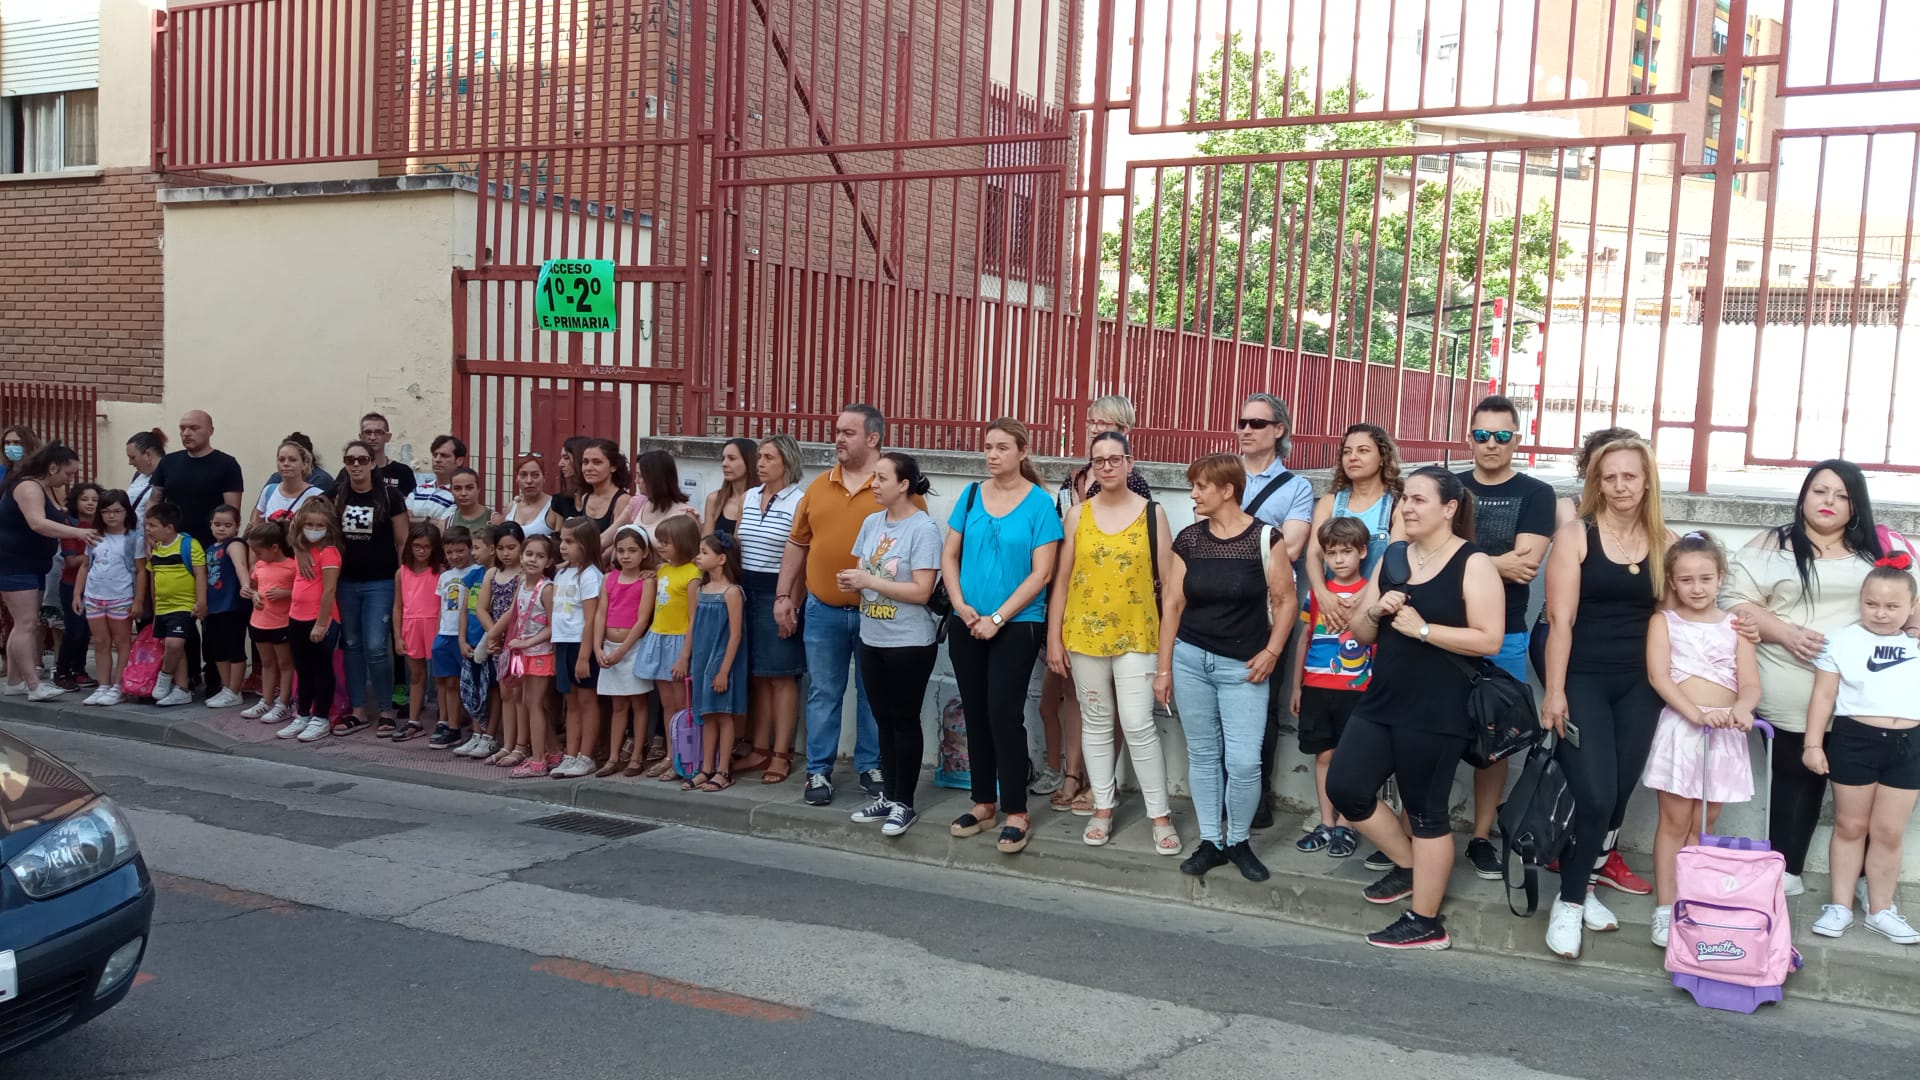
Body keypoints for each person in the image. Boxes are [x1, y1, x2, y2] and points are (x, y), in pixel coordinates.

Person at [1722, 459, 1920, 897]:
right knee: (1797, 776)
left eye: (1842, 495)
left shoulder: (1880, 546)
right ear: (1804, 495)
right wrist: (1784, 632)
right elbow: (1733, 599)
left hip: (1865, 696)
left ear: (1856, 505)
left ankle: (1872, 881)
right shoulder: (1772, 544)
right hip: (1791, 682)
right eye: (1820, 491)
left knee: (1870, 789)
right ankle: (1786, 868)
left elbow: (1912, 600)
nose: (1829, 502)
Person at [1326, 467, 1504, 950]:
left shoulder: (1474, 563)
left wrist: (1422, 629)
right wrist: (1375, 611)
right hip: (1383, 698)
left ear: (1449, 508)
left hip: (1438, 708)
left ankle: (1427, 922)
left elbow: (1489, 638)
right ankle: (1409, 866)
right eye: (1405, 498)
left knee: (1427, 812)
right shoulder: (1393, 556)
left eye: (1420, 500)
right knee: (1346, 786)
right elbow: (1361, 635)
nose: (1407, 507)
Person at [1539, 437, 1672, 960]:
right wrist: (1554, 692)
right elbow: (1560, 623)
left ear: (1646, 481)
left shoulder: (1665, 540)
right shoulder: (1575, 536)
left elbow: (1675, 619)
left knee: (1617, 796)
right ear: (1597, 482)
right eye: (1609, 477)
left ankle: (1588, 886)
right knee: (1593, 794)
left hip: (1640, 683)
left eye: (1629, 477)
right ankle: (1568, 905)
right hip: (1583, 678)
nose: (1620, 486)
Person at [1154, 452, 1294, 880]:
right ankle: (1212, 841)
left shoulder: (1266, 539)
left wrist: (1272, 651)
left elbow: (1285, 601)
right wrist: (1164, 670)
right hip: (1191, 658)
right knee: (1203, 755)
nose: (1193, 493)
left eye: (1201, 486)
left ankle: (1239, 841)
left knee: (1245, 762)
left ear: (1227, 490)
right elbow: (1173, 604)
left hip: (1244, 667)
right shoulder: (1189, 539)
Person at [1047, 431, 1179, 854]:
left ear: (1130, 462)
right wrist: (1054, 638)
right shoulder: (1076, 517)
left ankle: (1159, 814)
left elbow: (1171, 586)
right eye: (1098, 460)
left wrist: (1166, 657)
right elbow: (1062, 581)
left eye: (1114, 458)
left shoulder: (1153, 514)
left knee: (1139, 725)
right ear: (1090, 466)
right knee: (1097, 722)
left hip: (1138, 635)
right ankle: (1103, 807)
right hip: (1084, 636)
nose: (1106, 466)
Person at [781, 405, 919, 806]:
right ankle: (818, 772)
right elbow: (798, 544)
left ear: (873, 438)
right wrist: (784, 596)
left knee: (874, 694)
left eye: (848, 432)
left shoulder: (896, 488)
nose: (838, 439)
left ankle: (870, 766)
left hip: (879, 613)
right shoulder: (819, 487)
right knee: (823, 691)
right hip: (823, 609)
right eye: (836, 431)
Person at [943, 418, 1062, 855]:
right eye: (988, 447)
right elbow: (949, 554)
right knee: (975, 711)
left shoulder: (1039, 505)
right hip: (967, 621)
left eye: (1002, 447)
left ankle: (1016, 809)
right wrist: (959, 604)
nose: (992, 455)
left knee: (1002, 713)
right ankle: (983, 802)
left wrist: (997, 617)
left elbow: (1043, 573)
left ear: (1023, 451)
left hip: (1017, 623)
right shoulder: (971, 494)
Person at [1454, 395, 1559, 878]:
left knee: (1493, 741)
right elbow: (1419, 551)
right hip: (1439, 630)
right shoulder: (1447, 485)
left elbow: (1525, 567)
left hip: (1505, 634)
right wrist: (1491, 562)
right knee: (1431, 735)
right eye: (1481, 435)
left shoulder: (1536, 494)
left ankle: (1480, 836)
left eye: (1501, 436)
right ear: (1469, 436)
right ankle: (1420, 831)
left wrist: (1456, 556)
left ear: (1517, 438)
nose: (1490, 445)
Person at [1643, 531, 1759, 949]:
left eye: (1705, 579)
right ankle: (1665, 907)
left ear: (1720, 577)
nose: (1697, 588)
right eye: (1686, 580)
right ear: (1673, 582)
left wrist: (1744, 708)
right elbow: (1659, 675)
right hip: (1683, 730)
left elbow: (1750, 684)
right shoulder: (1664, 622)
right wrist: (1692, 713)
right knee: (1674, 822)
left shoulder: (1737, 626)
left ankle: (1692, 901)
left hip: (1725, 735)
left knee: (1705, 822)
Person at [1039, 395, 1154, 806]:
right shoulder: (1074, 477)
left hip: (1117, 612)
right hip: (1075, 607)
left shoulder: (1132, 483)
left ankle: (1100, 783)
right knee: (1075, 695)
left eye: (1103, 421)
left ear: (1124, 433)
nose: (1092, 426)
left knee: (1114, 703)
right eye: (1090, 420)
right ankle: (1074, 772)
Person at [1805, 566, 1920, 945]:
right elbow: (1823, 696)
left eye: (1892, 605)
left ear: (1912, 606)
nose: (1881, 613)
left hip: (1909, 745)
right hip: (1855, 739)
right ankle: (1840, 905)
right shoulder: (1841, 641)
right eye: (1871, 603)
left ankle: (1880, 909)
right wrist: (1812, 744)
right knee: (1850, 827)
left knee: (1888, 832)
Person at [843, 451, 943, 838]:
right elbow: (865, 570)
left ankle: (905, 802)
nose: (874, 484)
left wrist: (869, 583)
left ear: (904, 485)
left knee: (904, 719)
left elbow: (921, 591)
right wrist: (854, 580)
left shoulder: (923, 529)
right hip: (873, 636)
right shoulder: (871, 522)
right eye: (874, 477)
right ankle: (887, 794)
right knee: (882, 718)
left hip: (909, 642)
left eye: (882, 478)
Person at [1237, 393, 1317, 830]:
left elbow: (1293, 547)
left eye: (1256, 423)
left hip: (1267, 611)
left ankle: (1258, 796)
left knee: (1261, 706)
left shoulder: (1296, 487)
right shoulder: (1222, 472)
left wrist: (1227, 548)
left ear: (1279, 431)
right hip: (1217, 608)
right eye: (1242, 422)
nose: (1246, 430)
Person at [1290, 516, 1375, 859]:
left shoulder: (1371, 593)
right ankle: (1326, 823)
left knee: (1352, 760)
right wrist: (1297, 686)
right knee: (1324, 754)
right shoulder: (1317, 594)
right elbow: (1304, 640)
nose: (1339, 559)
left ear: (1362, 552)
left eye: (1346, 551)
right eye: (1331, 553)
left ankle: (1348, 825)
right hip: (1316, 686)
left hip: (1358, 689)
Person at [151, 410, 245, 698]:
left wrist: (224, 544)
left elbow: (232, 511)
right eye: (182, 428)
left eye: (194, 427)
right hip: (176, 551)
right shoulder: (169, 462)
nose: (187, 433)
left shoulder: (226, 465)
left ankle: (216, 679)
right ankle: (187, 677)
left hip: (211, 552)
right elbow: (155, 502)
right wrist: (150, 538)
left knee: (212, 618)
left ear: (210, 430)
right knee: (181, 616)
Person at [734, 434, 806, 784]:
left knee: (781, 675)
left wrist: (791, 601)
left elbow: (802, 557)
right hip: (747, 591)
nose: (760, 463)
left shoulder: (799, 502)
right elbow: (737, 544)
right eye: (759, 457)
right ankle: (759, 749)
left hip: (778, 593)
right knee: (759, 675)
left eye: (768, 458)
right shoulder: (748, 496)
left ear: (787, 463)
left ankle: (781, 753)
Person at [1, 444, 98, 701]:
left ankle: (14, 681)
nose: (70, 479)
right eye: (68, 473)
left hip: (33, 564)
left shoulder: (46, 488)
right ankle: (33, 685)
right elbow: (38, 523)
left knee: (22, 624)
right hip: (14, 564)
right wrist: (79, 532)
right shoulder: (29, 487)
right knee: (27, 624)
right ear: (52, 467)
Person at [332, 439, 411, 736]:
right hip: (346, 582)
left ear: (371, 463)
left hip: (381, 582)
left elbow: (403, 541)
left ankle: (386, 711)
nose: (355, 465)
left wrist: (402, 580)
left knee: (377, 646)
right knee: (351, 645)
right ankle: (358, 711)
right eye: (350, 460)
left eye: (361, 460)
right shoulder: (336, 495)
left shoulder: (390, 497)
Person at [677, 532, 746, 792]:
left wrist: (724, 670)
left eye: (704, 552)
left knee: (723, 714)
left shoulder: (732, 592)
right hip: (702, 659)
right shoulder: (701, 588)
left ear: (721, 559)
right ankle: (705, 768)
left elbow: (736, 634)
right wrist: (686, 655)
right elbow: (693, 623)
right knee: (707, 714)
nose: (698, 556)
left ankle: (724, 770)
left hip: (721, 662)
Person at [636, 515, 701, 778]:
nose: (661, 546)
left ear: (684, 543)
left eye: (667, 542)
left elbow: (695, 616)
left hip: (678, 642)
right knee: (666, 704)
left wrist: (685, 655)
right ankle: (670, 754)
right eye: (660, 541)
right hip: (659, 638)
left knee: (681, 704)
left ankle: (684, 757)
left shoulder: (694, 574)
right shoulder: (662, 570)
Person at [593, 524, 658, 776]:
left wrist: (623, 650)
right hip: (609, 648)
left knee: (638, 704)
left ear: (644, 553)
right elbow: (600, 613)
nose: (626, 555)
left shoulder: (647, 581)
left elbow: (642, 620)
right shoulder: (609, 579)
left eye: (632, 550)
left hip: (632, 648)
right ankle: (613, 756)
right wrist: (598, 646)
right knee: (618, 705)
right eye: (621, 550)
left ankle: (637, 756)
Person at [1306, 423, 1404, 586]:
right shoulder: (1329, 503)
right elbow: (1313, 555)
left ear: (1383, 458)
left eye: (1363, 450)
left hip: (1378, 602)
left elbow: (1394, 563)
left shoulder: (1397, 505)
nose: (1352, 457)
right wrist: (1322, 593)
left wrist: (1362, 599)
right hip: (1334, 604)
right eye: (1347, 452)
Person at [549, 518, 606, 778]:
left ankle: (586, 755)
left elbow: (591, 618)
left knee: (587, 701)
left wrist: (585, 656)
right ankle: (570, 754)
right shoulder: (562, 572)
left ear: (586, 544)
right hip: (562, 644)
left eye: (570, 541)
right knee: (570, 703)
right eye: (562, 540)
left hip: (580, 646)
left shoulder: (591, 575)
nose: (563, 546)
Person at [284, 503, 343, 742]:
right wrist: (299, 547)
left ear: (328, 528)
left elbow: (329, 590)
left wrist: (321, 623)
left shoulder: (330, 552)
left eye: (320, 525)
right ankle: (303, 713)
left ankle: (320, 717)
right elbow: (287, 528)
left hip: (319, 619)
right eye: (309, 524)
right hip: (296, 616)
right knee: (303, 668)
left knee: (321, 669)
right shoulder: (302, 549)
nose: (314, 529)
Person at [502, 534, 558, 777]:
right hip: (524, 651)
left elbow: (552, 626)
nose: (533, 559)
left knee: (534, 704)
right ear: (521, 556)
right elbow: (516, 614)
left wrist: (527, 642)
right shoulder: (522, 582)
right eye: (529, 554)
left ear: (548, 561)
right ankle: (553, 751)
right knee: (532, 703)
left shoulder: (546, 588)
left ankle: (537, 761)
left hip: (540, 653)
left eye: (540, 556)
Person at [76, 490, 140, 705]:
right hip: (94, 597)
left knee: (122, 642)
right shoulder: (94, 537)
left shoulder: (133, 539)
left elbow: (141, 571)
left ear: (126, 512)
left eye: (117, 511)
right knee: (101, 642)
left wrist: (138, 601)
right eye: (106, 511)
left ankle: (119, 686)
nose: (111, 516)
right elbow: (86, 566)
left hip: (121, 597)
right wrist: (78, 594)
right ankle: (103, 685)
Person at [469, 523, 526, 763]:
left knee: (519, 693)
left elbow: (513, 609)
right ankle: (507, 743)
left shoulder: (524, 574)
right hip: (498, 640)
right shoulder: (492, 573)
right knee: (505, 693)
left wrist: (497, 635)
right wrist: (493, 634)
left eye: (512, 547)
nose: (506, 553)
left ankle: (521, 745)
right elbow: (481, 608)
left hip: (517, 639)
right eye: (501, 548)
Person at [142, 501, 207, 708]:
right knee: (177, 650)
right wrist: (154, 608)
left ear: (169, 527)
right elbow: (154, 579)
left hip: (184, 606)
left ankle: (164, 676)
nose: (148, 530)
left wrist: (201, 601)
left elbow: (200, 574)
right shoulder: (157, 550)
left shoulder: (189, 545)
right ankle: (181, 689)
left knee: (174, 644)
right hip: (163, 608)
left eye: (152, 525)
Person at [391, 522, 446, 743]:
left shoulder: (441, 573)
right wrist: (397, 635)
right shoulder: (401, 573)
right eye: (417, 546)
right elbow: (397, 606)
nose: (422, 551)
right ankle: (414, 721)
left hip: (435, 626)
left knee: (442, 678)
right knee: (416, 676)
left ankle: (445, 720)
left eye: (427, 546)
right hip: (411, 628)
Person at [241, 521, 297, 726]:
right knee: (267, 663)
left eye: (258, 551)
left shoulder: (292, 566)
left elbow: (302, 591)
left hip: (281, 623)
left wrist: (286, 593)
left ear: (274, 548)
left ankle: (283, 702)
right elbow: (254, 585)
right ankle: (266, 700)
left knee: (285, 664)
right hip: (259, 622)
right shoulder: (260, 565)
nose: (256, 556)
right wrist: (252, 594)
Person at [427, 525, 477, 749]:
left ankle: (475, 728)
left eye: (460, 551)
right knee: (447, 682)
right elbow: (440, 608)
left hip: (464, 636)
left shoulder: (477, 572)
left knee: (466, 683)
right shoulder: (445, 575)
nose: (455, 556)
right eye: (450, 552)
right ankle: (450, 725)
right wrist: (438, 633)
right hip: (445, 635)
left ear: (470, 548)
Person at [450, 527, 496, 755]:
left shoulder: (497, 575)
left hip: (489, 644)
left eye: (477, 547)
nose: (473, 552)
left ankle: (490, 735)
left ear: (492, 548)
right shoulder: (473, 575)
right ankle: (476, 733)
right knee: (474, 690)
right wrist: (461, 638)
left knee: (492, 690)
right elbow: (464, 611)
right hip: (470, 642)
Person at [201, 504, 251, 709]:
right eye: (217, 524)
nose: (221, 529)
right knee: (218, 650)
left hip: (232, 606)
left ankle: (235, 690)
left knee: (234, 649)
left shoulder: (234, 544)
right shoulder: (211, 548)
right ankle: (226, 687)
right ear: (211, 525)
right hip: (213, 607)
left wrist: (246, 584)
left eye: (227, 525)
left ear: (236, 527)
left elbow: (241, 565)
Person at [52, 484, 101, 691]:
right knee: (75, 630)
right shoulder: (69, 525)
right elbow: (71, 561)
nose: (90, 503)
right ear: (75, 501)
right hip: (72, 585)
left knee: (87, 631)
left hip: (96, 587)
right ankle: (61, 672)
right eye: (85, 499)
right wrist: (99, 553)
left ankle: (78, 670)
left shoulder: (103, 525)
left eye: (95, 499)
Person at [252, 435, 328, 526]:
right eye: (281, 459)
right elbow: (256, 529)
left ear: (304, 464)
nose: (286, 464)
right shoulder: (269, 491)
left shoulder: (316, 496)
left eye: (292, 460)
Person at [572, 440, 634, 551]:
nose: (588, 468)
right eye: (585, 462)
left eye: (597, 462)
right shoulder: (585, 497)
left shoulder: (622, 500)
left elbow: (617, 542)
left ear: (613, 466)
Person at [624, 449, 701, 531]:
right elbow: (613, 533)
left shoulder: (684, 515)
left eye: (640, 476)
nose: (636, 481)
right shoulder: (637, 503)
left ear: (656, 478)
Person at [351, 412, 417, 499]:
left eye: (378, 432)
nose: (372, 437)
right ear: (361, 437)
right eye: (368, 432)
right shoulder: (352, 470)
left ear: (388, 437)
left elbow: (412, 505)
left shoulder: (403, 472)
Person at [406, 435, 465, 529]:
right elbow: (403, 521)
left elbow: (444, 527)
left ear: (459, 461)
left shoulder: (460, 495)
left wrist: (415, 520)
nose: (437, 460)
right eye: (435, 455)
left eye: (444, 455)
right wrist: (429, 520)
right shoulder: (419, 490)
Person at [705, 437, 759, 539]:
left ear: (749, 461)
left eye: (732, 458)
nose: (724, 464)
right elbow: (706, 543)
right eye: (723, 458)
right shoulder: (714, 499)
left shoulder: (762, 500)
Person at [503, 455, 562, 537]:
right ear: (516, 478)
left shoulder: (554, 508)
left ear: (544, 477)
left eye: (535, 475)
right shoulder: (510, 508)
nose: (529, 481)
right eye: (523, 475)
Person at [123, 428, 166, 524]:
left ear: (148, 455)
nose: (130, 463)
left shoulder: (170, 476)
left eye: (132, 457)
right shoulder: (138, 476)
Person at [552, 435, 592, 520]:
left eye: (566, 458)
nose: (560, 464)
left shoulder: (600, 498)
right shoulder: (563, 500)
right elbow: (559, 532)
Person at [446, 467, 492, 537]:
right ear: (451, 491)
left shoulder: (494, 520)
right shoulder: (446, 523)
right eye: (457, 488)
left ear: (478, 489)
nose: (463, 493)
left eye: (469, 488)